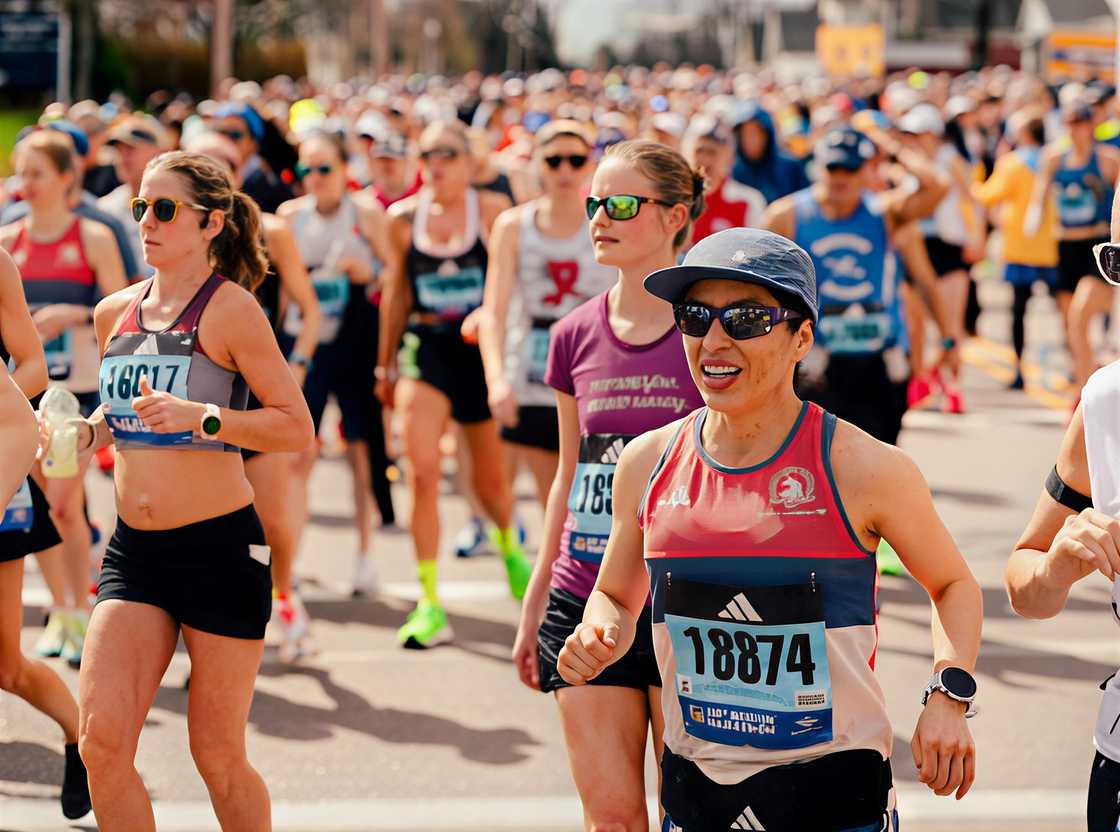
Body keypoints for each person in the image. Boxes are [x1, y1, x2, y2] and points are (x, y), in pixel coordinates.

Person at [558, 227, 983, 832]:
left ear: (801, 337)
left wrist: (949, 695)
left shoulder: (864, 467)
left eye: (748, 319)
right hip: (696, 790)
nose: (715, 339)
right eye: (695, 316)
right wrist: (600, 628)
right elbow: (613, 596)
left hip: (831, 791)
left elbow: (953, 585)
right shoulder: (646, 462)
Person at [69, 150, 313, 831]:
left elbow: (296, 427)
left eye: (165, 209)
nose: (146, 220)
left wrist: (206, 419)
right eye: (140, 206)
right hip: (134, 555)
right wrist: (85, 435)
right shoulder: (113, 311)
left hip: (220, 551)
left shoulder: (231, 311)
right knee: (102, 744)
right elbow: (118, 414)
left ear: (210, 224)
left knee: (217, 755)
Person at [513, 138, 707, 831]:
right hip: (583, 599)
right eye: (596, 202)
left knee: (687, 815)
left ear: (673, 215)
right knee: (613, 820)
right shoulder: (571, 334)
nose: (598, 216)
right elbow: (570, 474)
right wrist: (537, 603)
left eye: (621, 203)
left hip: (683, 604)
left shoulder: (710, 335)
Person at [377, 119, 531, 648]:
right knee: (420, 475)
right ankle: (429, 602)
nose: (436, 163)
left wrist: (503, 353)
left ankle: (511, 548)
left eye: (447, 153)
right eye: (428, 153)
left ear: (470, 161)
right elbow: (396, 292)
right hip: (426, 347)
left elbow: (512, 284)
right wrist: (385, 363)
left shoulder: (491, 212)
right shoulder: (401, 218)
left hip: (475, 350)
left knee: (490, 483)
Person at [187, 129, 323, 660]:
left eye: (223, 162)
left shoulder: (272, 230)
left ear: (240, 171)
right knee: (203, 517)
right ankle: (207, 621)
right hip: (202, 396)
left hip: (260, 395)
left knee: (270, 516)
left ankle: (284, 595)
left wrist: (298, 369)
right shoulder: (181, 240)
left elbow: (308, 312)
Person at [1, 129, 128, 667]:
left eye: (37, 173)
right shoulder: (9, 240)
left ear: (66, 177)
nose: (25, 183)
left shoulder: (92, 236)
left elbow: (123, 310)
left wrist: (72, 315)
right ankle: (61, 608)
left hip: (77, 389)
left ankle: (79, 607)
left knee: (63, 501)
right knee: (34, 504)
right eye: (19, 172)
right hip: (21, 392)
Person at [762, 125, 961, 449]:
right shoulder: (786, 217)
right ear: (818, 167)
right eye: (833, 167)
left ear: (866, 170)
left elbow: (937, 188)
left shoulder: (885, 213)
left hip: (879, 363)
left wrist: (949, 339)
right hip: (817, 363)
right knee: (817, 467)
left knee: (878, 465)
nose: (841, 177)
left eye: (851, 168)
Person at [478, 120, 615, 509]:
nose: (565, 171)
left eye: (575, 160)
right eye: (554, 161)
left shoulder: (607, 220)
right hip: (532, 368)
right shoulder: (514, 225)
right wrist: (496, 379)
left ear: (590, 163)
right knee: (551, 496)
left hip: (597, 366)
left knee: (594, 496)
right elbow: (494, 309)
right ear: (537, 163)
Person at [0, 246, 91, 820]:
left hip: (2, 473)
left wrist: (4, 402)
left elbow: (32, 363)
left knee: (6, 666)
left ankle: (86, 740)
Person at [278, 131, 389, 599]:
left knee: (360, 450)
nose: (316, 179)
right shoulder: (289, 217)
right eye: (307, 170)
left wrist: (370, 274)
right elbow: (279, 286)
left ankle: (365, 557)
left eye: (325, 169)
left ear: (345, 170)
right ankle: (292, 559)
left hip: (355, 339)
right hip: (307, 341)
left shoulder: (365, 213)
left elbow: (395, 271)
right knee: (298, 451)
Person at [898, 104, 985, 414]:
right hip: (916, 246)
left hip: (949, 247)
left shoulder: (951, 161)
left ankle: (951, 383)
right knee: (916, 323)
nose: (913, 140)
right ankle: (921, 378)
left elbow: (972, 200)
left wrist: (977, 237)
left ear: (934, 135)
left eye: (918, 134)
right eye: (908, 134)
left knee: (951, 324)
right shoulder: (905, 165)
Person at [1026, 101, 1120, 389]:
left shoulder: (1107, 159)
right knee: (1070, 325)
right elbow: (1040, 191)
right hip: (1065, 244)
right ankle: (1084, 376)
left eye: (1081, 123)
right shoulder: (1054, 158)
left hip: (1095, 244)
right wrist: (1034, 218)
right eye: (1070, 124)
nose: (1075, 130)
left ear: (1091, 125)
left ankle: (1085, 388)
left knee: (1081, 314)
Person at [973, 109, 1059, 391]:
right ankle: (1076, 367)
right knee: (1063, 310)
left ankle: (1019, 369)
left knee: (1018, 313)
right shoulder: (1053, 159)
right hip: (1049, 245)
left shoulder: (1011, 163)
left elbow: (986, 195)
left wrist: (971, 177)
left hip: (1019, 246)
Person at [3, 122, 144, 283]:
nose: (27, 183)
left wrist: (76, 309)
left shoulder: (104, 225)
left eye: (37, 174)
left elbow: (127, 293)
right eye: (23, 173)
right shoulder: (9, 225)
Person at [98, 116, 169, 279]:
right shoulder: (104, 208)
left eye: (131, 149)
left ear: (160, 152)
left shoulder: (178, 206)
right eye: (119, 150)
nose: (123, 157)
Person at [682, 116, 767, 246]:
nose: (704, 160)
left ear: (730, 157)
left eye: (712, 152)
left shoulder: (748, 201)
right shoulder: (674, 198)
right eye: (699, 151)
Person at [213, 101, 293, 214]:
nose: (226, 140)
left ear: (253, 143)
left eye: (235, 135)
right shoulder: (208, 175)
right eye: (221, 132)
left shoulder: (270, 185)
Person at [730, 102, 809, 205]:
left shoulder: (790, 167)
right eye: (745, 134)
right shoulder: (731, 171)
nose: (750, 140)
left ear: (768, 135)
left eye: (755, 133)